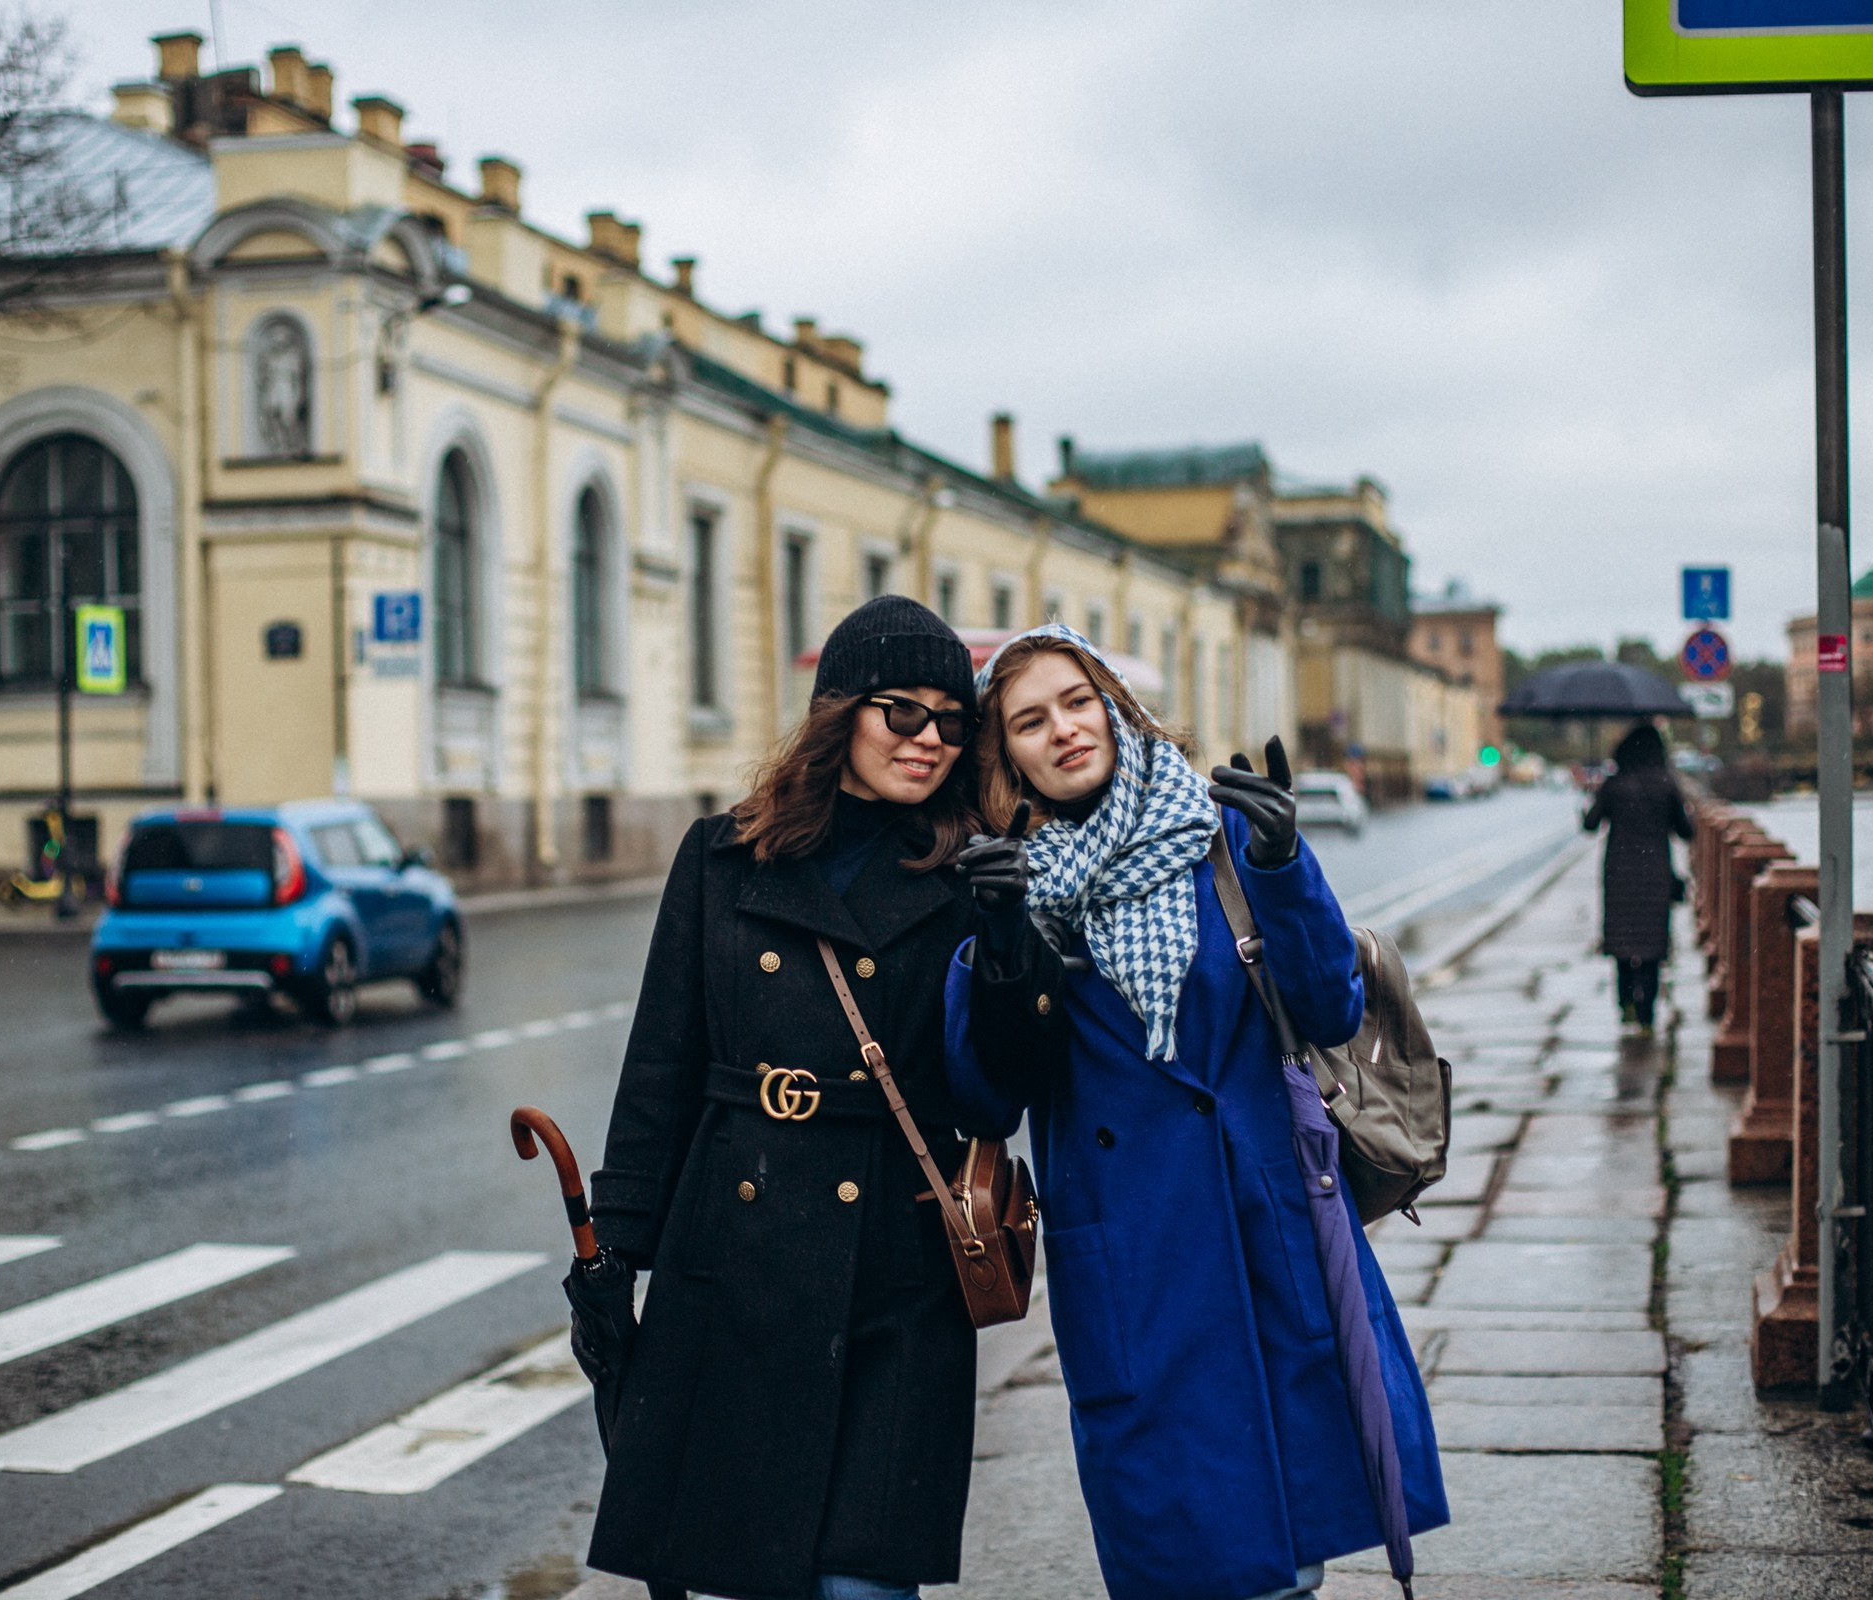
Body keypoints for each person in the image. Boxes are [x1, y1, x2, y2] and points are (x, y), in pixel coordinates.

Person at [943, 624, 1447, 1600]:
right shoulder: (1008, 882)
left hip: (1269, 1224)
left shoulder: (1217, 840)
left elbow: (1330, 1005)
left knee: (1294, 1541)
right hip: (1137, 1252)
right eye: (1029, 721)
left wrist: (1283, 860)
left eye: (1077, 701)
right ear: (1006, 755)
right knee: (1192, 1552)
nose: (1063, 730)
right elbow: (985, 1095)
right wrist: (1003, 949)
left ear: (1116, 706)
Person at [586, 595, 1001, 1600]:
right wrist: (612, 1252)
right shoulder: (723, 857)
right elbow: (662, 1068)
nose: (932, 739)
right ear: (840, 711)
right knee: (745, 1572)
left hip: (898, 1272)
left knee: (864, 1582)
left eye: (954, 719)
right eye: (906, 711)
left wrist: (1018, 943)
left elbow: (1001, 1089)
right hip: (732, 1256)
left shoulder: (971, 878)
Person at [1582, 721, 1694, 1033]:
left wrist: (1589, 800)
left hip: (1618, 873)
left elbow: (1590, 825)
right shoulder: (1666, 783)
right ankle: (1647, 1013)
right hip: (1655, 873)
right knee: (1651, 944)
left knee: (1622, 942)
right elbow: (1686, 831)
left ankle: (1626, 1004)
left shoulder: (1614, 784)